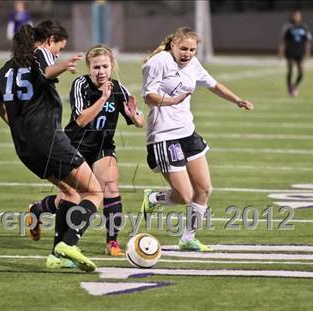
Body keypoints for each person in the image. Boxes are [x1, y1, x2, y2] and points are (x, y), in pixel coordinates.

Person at [0, 24, 102, 272]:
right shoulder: (39, 56)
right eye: (58, 48)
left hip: (25, 147)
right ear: (48, 40)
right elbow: (45, 72)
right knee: (94, 192)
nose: (58, 54)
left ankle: (57, 255)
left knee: (70, 194)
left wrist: (17, 125)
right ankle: (70, 243)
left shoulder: (3, 71)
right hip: (49, 139)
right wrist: (62, 66)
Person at [141, 27, 254, 252]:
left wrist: (237, 100)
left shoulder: (193, 64)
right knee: (184, 196)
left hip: (188, 134)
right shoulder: (159, 62)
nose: (188, 53)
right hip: (164, 136)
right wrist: (173, 101)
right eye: (183, 48)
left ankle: (188, 238)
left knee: (203, 189)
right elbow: (148, 96)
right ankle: (153, 198)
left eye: (192, 49)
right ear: (172, 45)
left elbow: (213, 84)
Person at [28, 45, 145, 257]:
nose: (101, 71)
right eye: (96, 67)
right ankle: (37, 210)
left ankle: (112, 242)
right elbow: (81, 120)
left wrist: (135, 116)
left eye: (105, 66)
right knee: (69, 197)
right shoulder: (80, 85)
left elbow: (139, 120)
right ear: (88, 68)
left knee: (110, 187)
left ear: (112, 66)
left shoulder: (117, 88)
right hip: (74, 146)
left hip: (103, 147)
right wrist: (102, 98)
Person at [278, 10, 312, 97]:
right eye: (295, 15)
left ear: (300, 17)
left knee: (301, 73)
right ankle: (289, 88)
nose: (296, 17)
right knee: (290, 70)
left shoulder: (304, 27)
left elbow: (307, 40)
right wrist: (281, 52)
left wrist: (308, 52)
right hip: (290, 51)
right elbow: (283, 40)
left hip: (300, 51)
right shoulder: (288, 27)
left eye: (298, 15)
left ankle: (294, 86)